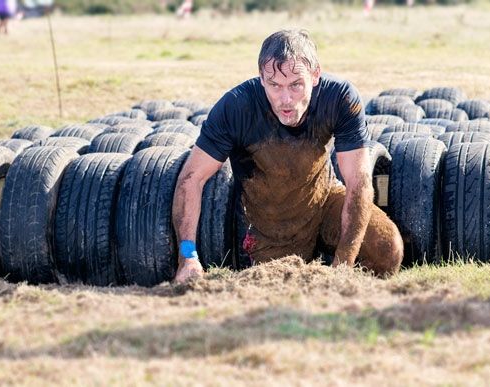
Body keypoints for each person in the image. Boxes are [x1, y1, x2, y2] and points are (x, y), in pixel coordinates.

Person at [172, 29, 403, 283]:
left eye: (296, 85)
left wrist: (344, 266)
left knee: (387, 248)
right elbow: (191, 179)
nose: (285, 99)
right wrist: (188, 256)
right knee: (278, 286)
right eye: (274, 85)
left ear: (315, 75)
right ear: (261, 78)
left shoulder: (339, 98)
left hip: (325, 199)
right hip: (272, 226)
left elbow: (358, 182)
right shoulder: (234, 108)